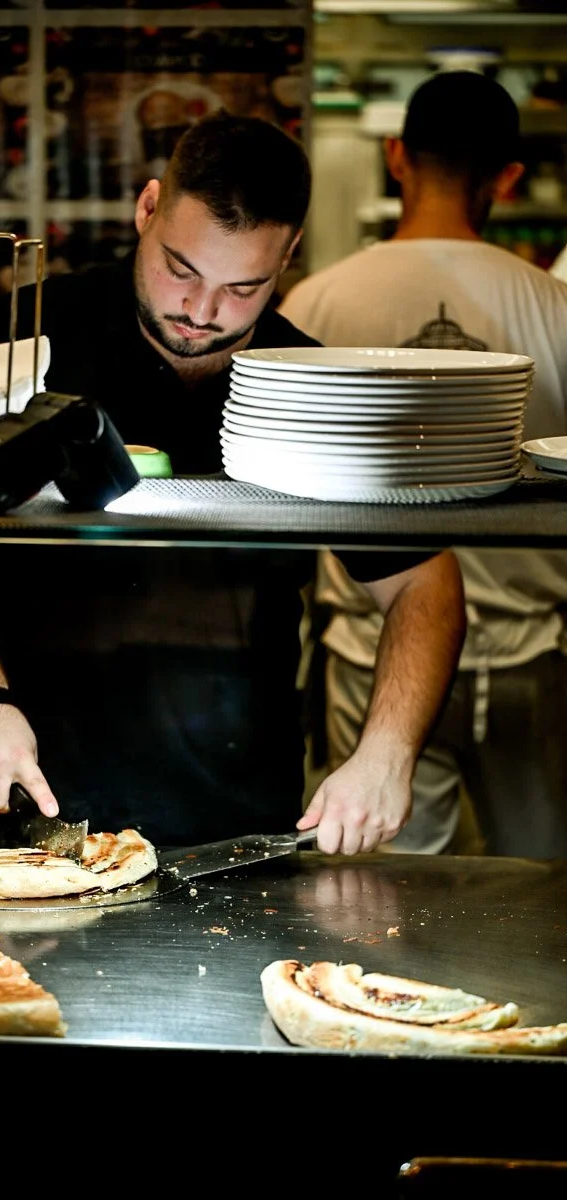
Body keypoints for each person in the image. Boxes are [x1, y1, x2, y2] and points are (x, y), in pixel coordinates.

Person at [0, 109, 466, 854]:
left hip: (238, 825)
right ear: (148, 206)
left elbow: (425, 584)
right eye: (180, 269)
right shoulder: (33, 334)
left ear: (287, 257)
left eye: (242, 288)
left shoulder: (309, 385)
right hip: (26, 794)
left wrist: (388, 753)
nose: (199, 312)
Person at [280, 71, 567, 857]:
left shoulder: (312, 305)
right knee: (540, 903)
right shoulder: (552, 306)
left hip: (369, 658)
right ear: (507, 178)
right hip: (525, 657)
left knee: (374, 903)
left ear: (397, 156)